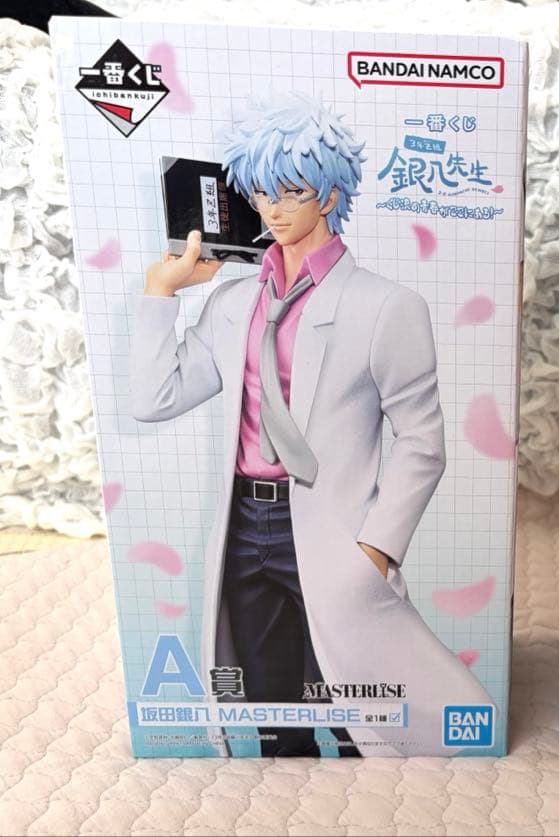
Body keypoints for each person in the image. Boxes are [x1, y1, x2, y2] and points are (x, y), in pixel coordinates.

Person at [131, 92, 491, 757]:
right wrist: (163, 293)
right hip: (245, 525)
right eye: (262, 192)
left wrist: (377, 548)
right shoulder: (233, 302)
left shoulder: (386, 305)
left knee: (363, 714)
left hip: (334, 530)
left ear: (328, 195)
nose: (273, 209)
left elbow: (422, 441)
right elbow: (155, 398)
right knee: (275, 716)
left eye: (292, 191)